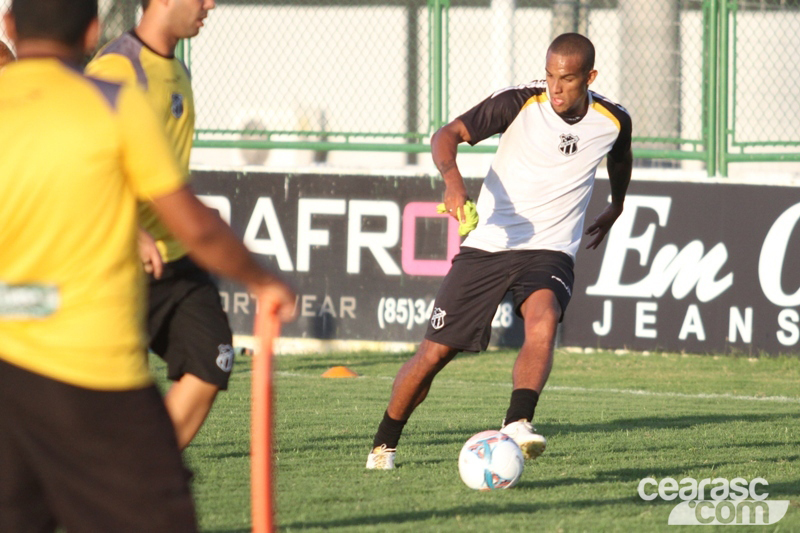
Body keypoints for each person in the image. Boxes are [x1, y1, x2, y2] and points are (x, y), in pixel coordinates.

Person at [0, 0, 294, 530]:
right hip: (88, 366)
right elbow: (195, 223)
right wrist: (262, 280)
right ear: (93, 32)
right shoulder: (111, 97)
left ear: (9, 26)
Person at [366, 33, 632, 470]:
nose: (555, 88)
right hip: (490, 243)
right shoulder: (519, 102)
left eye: (566, 79)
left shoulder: (612, 119)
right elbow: (446, 135)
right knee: (434, 354)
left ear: (590, 77)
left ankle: (517, 422)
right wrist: (453, 182)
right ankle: (383, 445)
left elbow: (620, 157)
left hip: (549, 248)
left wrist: (617, 204)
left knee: (544, 317)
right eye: (550, 76)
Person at [85, 0, 231, 450]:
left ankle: (141, 474)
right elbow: (78, 163)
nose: (210, 4)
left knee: (214, 361)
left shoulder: (178, 74)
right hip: (116, 262)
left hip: (176, 260)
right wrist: (129, 228)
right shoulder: (116, 68)